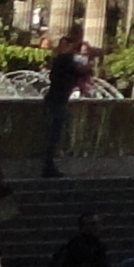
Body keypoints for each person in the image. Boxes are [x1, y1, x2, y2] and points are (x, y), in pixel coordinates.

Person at [39, 27, 91, 175]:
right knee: (53, 135)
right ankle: (48, 166)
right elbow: (84, 70)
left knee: (53, 134)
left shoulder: (59, 60)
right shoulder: (66, 59)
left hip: (54, 99)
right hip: (57, 101)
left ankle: (48, 165)